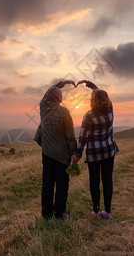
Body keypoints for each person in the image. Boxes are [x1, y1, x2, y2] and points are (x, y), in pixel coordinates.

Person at [72, 80, 119, 219]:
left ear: (93, 100)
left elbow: (83, 137)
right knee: (107, 180)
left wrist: (78, 152)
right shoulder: (110, 108)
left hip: (94, 153)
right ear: (106, 99)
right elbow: (101, 95)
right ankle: (107, 211)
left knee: (94, 181)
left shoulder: (89, 115)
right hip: (109, 150)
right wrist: (92, 85)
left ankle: (96, 210)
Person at [34, 80, 77, 221]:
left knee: (47, 184)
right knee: (61, 185)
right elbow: (70, 136)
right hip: (62, 155)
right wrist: (74, 153)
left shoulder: (43, 107)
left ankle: (46, 215)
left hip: (46, 154)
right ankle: (59, 213)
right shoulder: (64, 112)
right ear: (60, 98)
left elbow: (46, 94)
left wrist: (60, 83)